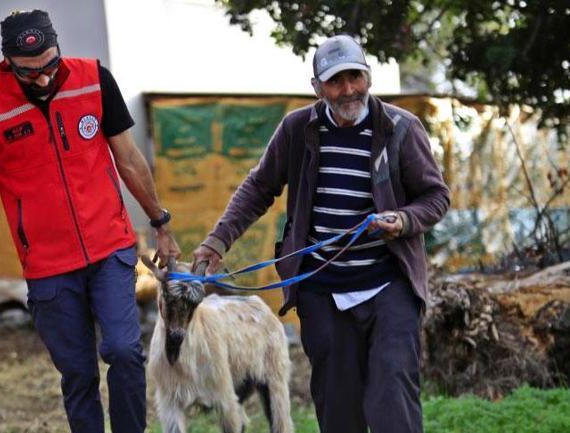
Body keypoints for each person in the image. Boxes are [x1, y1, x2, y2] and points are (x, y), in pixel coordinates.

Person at [192, 34, 450, 433]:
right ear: (317, 88)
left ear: (368, 77)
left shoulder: (400, 128)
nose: (348, 89)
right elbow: (260, 187)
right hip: (323, 288)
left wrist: (403, 220)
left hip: (389, 282)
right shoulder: (299, 129)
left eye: (355, 77)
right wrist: (217, 241)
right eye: (335, 81)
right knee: (338, 405)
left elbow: (435, 197)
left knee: (392, 395)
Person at [0, 9, 180, 433]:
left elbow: (127, 157)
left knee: (124, 351)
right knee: (78, 376)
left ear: (59, 49)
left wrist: (160, 223)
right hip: (49, 268)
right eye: (28, 72)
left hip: (109, 248)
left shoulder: (93, 79)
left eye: (50, 65)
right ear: (8, 63)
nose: (42, 78)